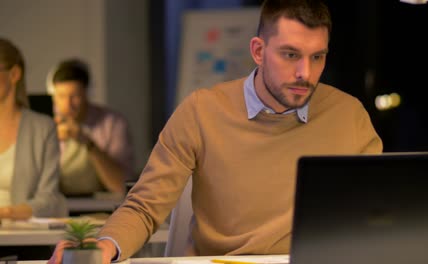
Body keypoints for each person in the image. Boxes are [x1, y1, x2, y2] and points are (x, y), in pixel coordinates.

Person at [49, 0, 383, 262]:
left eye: (317, 57)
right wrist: (104, 246)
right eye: (290, 55)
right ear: (258, 51)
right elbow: (145, 205)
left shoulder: (348, 115)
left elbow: (377, 210)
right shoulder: (202, 110)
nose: (305, 73)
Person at [0, 37, 67, 260]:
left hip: (25, 240)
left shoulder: (42, 128)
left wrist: (6, 213)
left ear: (14, 74)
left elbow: (48, 199)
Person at [48, 59, 134, 196]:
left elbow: (121, 186)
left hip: (98, 206)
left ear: (87, 94)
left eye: (74, 96)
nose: (68, 104)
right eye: (61, 96)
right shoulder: (45, 123)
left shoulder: (112, 123)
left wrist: (87, 142)